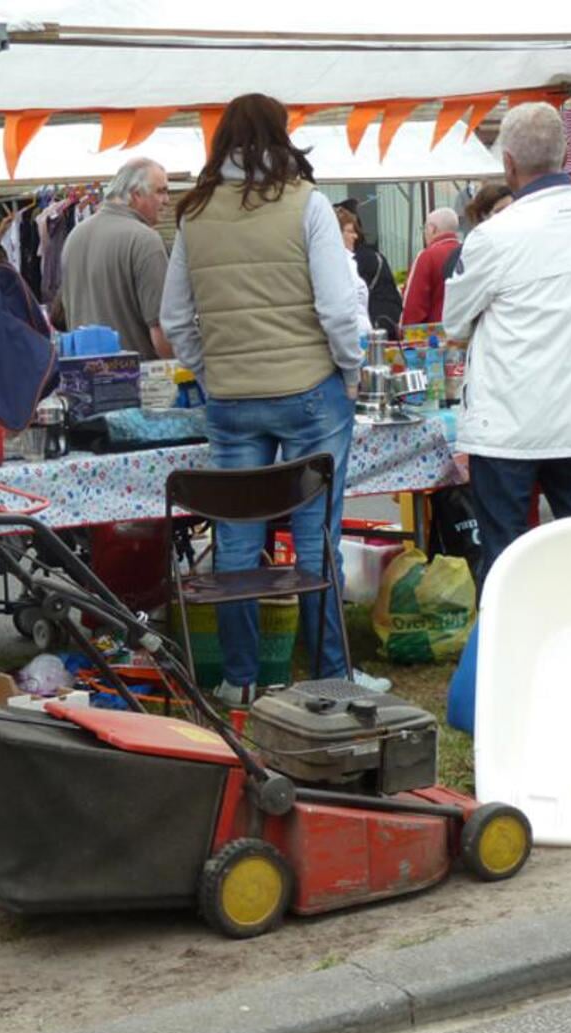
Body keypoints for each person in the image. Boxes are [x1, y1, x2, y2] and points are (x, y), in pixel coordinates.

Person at [161, 92, 388, 703]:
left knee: (235, 543)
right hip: (311, 391)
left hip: (232, 400)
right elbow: (339, 308)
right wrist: (349, 372)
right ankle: (331, 675)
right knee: (317, 539)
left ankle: (242, 681)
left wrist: (211, 373)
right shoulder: (306, 204)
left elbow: (174, 317)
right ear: (282, 136)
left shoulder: (195, 213)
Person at [442, 103, 571, 577]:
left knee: (505, 560)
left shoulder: (494, 236)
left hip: (509, 425)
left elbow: (453, 323)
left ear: (509, 164)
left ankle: (508, 648)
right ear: (564, 157)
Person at [59, 157, 176, 359]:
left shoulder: (75, 236)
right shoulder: (145, 240)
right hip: (137, 380)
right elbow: (162, 330)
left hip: (83, 378)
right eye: (160, 191)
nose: (167, 200)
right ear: (135, 194)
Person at [335, 204, 404, 336]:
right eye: (350, 231)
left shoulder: (353, 260)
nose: (355, 236)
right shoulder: (345, 263)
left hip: (368, 332)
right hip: (359, 336)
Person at [400, 207, 462, 327]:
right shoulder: (469, 252)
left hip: (436, 337)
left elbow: (413, 305)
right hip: (469, 334)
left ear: (432, 229)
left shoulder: (427, 256)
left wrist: (405, 333)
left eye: (425, 228)